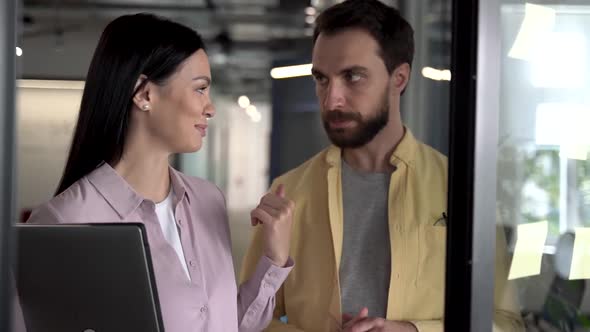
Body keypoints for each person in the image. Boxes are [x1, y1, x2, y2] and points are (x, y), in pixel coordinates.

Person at [240, 1, 524, 331]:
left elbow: (505, 323)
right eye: (322, 79)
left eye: (353, 77)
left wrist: (413, 330)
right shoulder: (289, 192)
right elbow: (248, 321)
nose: (332, 100)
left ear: (398, 78)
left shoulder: (460, 189)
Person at [23, 13, 294, 332]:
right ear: (144, 94)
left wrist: (273, 259)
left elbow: (228, 323)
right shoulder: (64, 223)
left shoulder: (207, 200)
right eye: (200, 89)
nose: (211, 107)